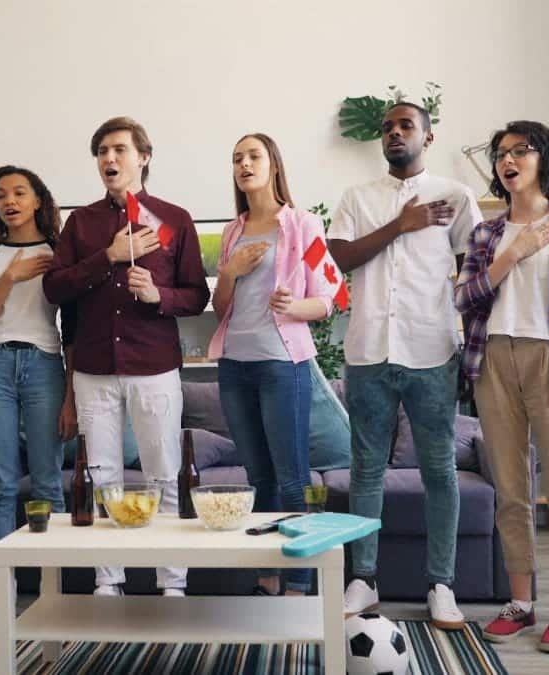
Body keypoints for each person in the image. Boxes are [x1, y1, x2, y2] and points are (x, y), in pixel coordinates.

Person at [455, 120, 549, 655]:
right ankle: (520, 603)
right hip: (494, 357)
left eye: (521, 151)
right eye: (501, 154)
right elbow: (466, 298)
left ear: (543, 158)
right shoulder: (486, 234)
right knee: (510, 491)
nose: (508, 160)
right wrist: (512, 253)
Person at [327, 102, 481, 629]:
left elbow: (476, 273)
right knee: (366, 469)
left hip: (432, 350)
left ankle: (441, 585)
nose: (395, 132)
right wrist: (402, 224)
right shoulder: (357, 198)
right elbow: (340, 260)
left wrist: (472, 345)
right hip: (368, 350)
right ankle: (363, 581)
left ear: (428, 137)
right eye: (389, 127)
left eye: (406, 125)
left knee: (440, 471)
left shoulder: (457, 197)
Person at [42, 116, 210, 597]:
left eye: (118, 150)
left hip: (154, 365)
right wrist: (109, 258)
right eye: (101, 152)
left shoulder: (174, 219)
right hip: (93, 370)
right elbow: (54, 288)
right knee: (104, 478)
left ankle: (172, 585)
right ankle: (108, 582)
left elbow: (196, 295)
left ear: (144, 156)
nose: (109, 159)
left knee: (163, 475)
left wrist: (160, 297)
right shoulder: (81, 223)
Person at [208, 133, 337, 597]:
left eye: (253, 156)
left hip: (283, 366)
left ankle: (301, 582)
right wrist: (231, 271)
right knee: (256, 476)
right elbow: (222, 306)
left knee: (291, 477)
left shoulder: (303, 225)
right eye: (237, 157)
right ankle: (267, 580)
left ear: (274, 166)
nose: (244, 164)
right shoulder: (232, 231)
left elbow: (332, 298)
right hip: (235, 367)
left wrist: (295, 305)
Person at [0, 165, 78, 548]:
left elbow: (73, 330)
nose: (9, 201)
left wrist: (71, 399)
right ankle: (4, 591)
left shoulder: (59, 251)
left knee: (48, 482)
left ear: (38, 200)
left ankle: (56, 588)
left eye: (18, 193)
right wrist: (10, 277)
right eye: (0, 195)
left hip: (45, 365)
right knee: (1, 485)